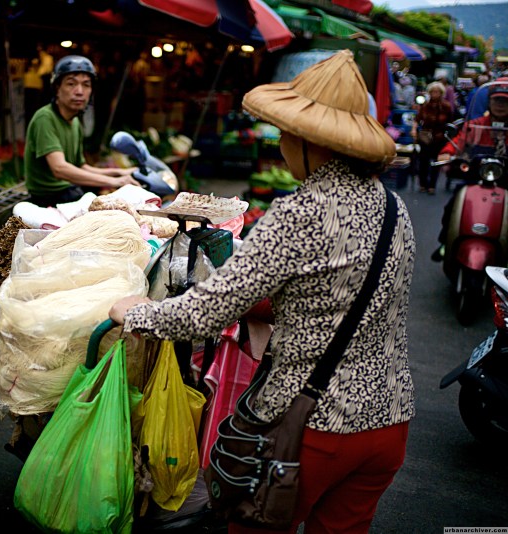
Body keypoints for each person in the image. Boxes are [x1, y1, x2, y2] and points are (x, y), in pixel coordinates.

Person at [109, 50, 416, 534]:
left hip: (310, 427)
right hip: (387, 422)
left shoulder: (300, 212)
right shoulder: (394, 208)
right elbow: (352, 294)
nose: (281, 146)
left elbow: (205, 313)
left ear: (313, 142)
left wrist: (139, 312)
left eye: (286, 135)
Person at [23, 54, 139, 207]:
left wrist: (117, 172)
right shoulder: (45, 118)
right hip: (48, 198)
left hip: (68, 190)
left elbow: (80, 166)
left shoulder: (75, 122)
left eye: (86, 85)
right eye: (71, 84)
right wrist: (114, 181)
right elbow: (59, 168)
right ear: (57, 88)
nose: (79, 91)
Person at [431, 82, 508, 261]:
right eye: (496, 101)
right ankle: (446, 242)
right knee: (453, 205)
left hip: (505, 180)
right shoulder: (475, 125)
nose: (500, 105)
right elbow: (458, 141)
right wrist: (447, 153)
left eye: (505, 102)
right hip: (476, 179)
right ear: (489, 102)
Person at [411, 81, 454, 194]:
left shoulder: (446, 106)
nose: (434, 94)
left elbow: (450, 122)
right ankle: (423, 184)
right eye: (432, 92)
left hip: (439, 137)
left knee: (436, 163)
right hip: (426, 136)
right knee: (423, 161)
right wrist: (414, 129)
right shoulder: (425, 106)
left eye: (437, 92)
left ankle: (432, 185)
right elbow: (417, 119)